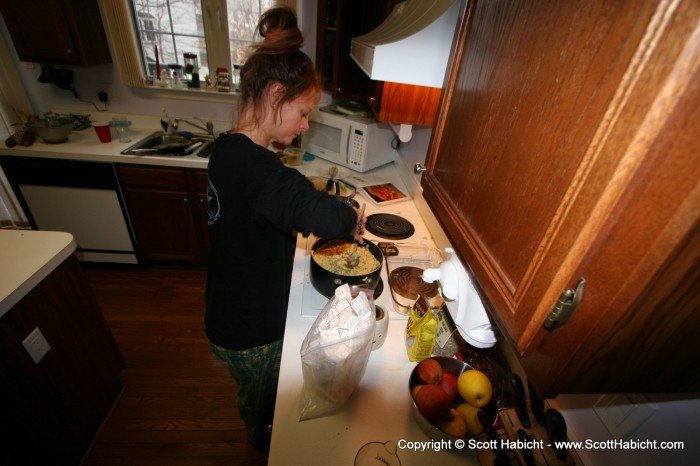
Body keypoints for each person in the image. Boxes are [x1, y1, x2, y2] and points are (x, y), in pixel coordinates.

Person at [205, 7, 366, 452]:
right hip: (251, 332)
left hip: (227, 310)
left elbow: (272, 196)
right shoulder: (258, 168)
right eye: (302, 111)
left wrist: (306, 190)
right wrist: (351, 215)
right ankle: (263, 447)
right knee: (266, 410)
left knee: (254, 397)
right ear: (276, 94)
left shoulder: (228, 149)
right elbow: (317, 214)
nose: (305, 124)